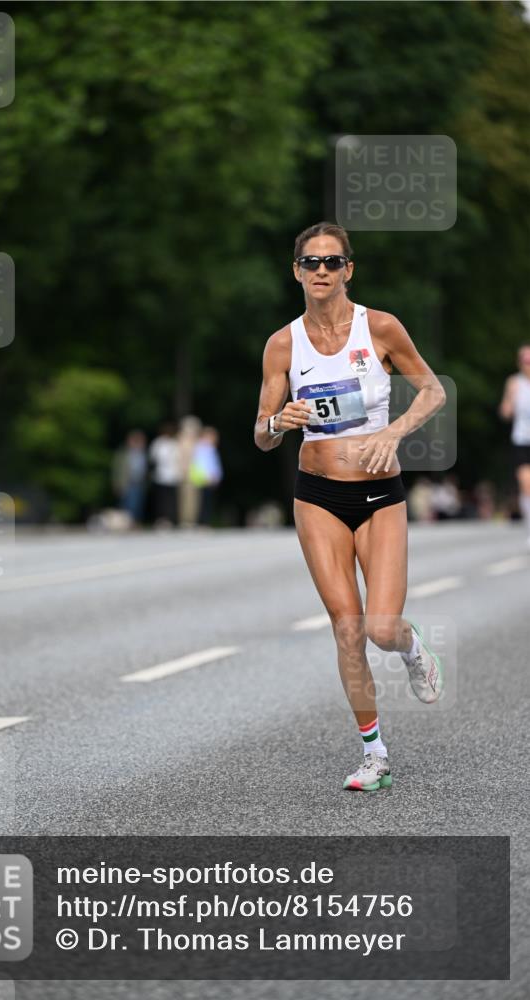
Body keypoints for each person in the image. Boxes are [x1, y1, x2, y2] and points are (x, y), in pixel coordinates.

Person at [254, 221, 447, 792]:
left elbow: (433, 390)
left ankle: (411, 647)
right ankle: (375, 754)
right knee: (346, 627)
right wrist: (277, 422)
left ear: (348, 270)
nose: (320, 272)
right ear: (296, 272)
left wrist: (395, 434)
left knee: (381, 626)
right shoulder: (282, 344)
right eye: (310, 263)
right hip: (318, 496)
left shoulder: (380, 327)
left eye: (331, 262)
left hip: (380, 492)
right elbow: (261, 435)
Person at [499, 344, 530, 546]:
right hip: (522, 439)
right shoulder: (514, 383)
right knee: (526, 484)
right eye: (525, 362)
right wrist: (507, 407)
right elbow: (505, 411)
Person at [111, 430, 148, 525]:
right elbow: (117, 471)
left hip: (139, 483)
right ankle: (126, 523)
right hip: (126, 483)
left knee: (137, 505)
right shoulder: (123, 454)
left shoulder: (142, 454)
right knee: (127, 504)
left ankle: (135, 522)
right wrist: (117, 484)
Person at [190, 426, 224, 526]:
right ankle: (201, 522)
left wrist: (217, 476)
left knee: (207, 502)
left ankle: (205, 521)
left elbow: (215, 465)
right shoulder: (201, 448)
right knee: (201, 502)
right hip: (202, 479)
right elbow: (200, 464)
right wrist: (207, 477)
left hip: (210, 479)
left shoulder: (211, 449)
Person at [148, 423, 181, 526]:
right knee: (161, 499)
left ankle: (170, 519)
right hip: (160, 476)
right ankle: (161, 519)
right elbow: (153, 458)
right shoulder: (158, 443)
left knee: (170, 500)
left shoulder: (174, 443)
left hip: (172, 476)